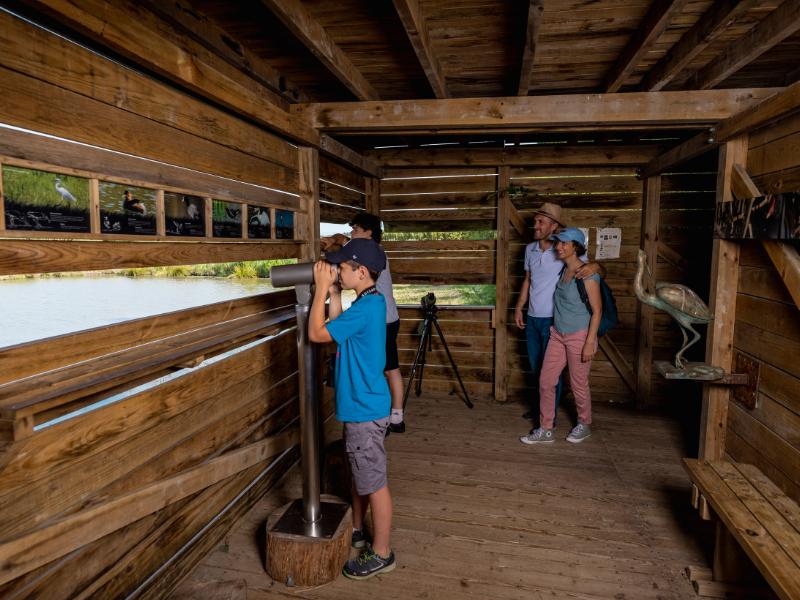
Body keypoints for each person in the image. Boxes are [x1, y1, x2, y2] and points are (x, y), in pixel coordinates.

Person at [308, 238, 396, 579]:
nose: (337, 271)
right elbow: (339, 329)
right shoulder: (370, 302)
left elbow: (317, 334)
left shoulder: (365, 309)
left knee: (375, 483)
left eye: (342, 268)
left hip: (364, 409)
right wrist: (335, 295)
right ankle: (358, 530)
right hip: (367, 405)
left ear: (361, 271)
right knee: (362, 475)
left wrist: (320, 290)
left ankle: (382, 553)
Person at [513, 203, 601, 427]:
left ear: (554, 226)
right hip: (533, 317)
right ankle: (543, 413)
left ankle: (552, 414)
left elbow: (589, 267)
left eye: (541, 221)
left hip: (555, 320)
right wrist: (519, 306)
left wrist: (598, 266)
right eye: (535, 221)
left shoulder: (563, 250)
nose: (536, 225)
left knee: (555, 372)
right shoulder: (530, 249)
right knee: (538, 369)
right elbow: (528, 279)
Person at [322, 213, 406, 433]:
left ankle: (396, 416)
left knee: (390, 368)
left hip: (384, 319)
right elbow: (344, 240)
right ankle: (391, 415)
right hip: (384, 316)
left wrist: (334, 242)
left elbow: (346, 244)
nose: (352, 233)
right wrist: (335, 240)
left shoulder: (370, 254)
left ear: (369, 233)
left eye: (357, 229)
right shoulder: (370, 251)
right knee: (384, 368)